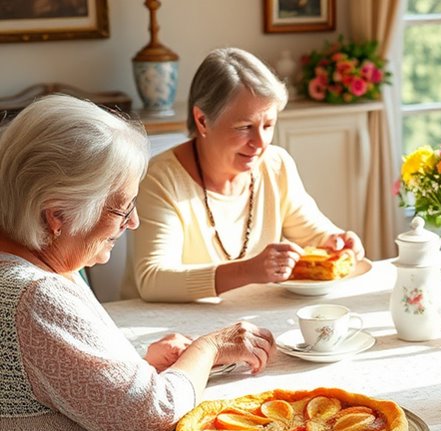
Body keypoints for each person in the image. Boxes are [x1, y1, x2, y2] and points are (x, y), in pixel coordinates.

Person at [0, 94, 276, 431]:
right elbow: (148, 413)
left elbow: (46, 384)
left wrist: (137, 367)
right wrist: (208, 348)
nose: (133, 222)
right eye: (120, 208)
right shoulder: (34, 295)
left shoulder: (19, 266)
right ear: (56, 214)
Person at [125, 47, 365, 302]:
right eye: (245, 127)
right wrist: (248, 270)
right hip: (164, 329)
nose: (260, 142)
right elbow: (152, 280)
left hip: (251, 320)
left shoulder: (276, 164)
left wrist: (336, 241)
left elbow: (313, 232)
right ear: (202, 121)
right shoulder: (160, 178)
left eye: (268, 125)